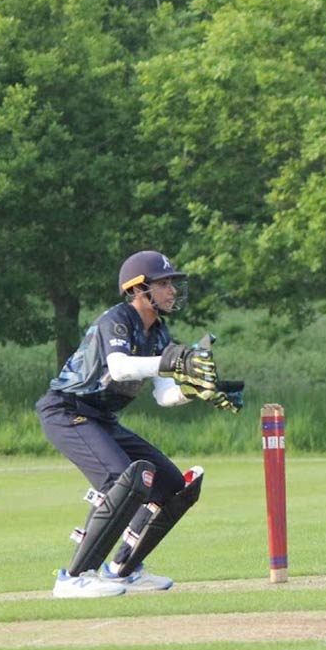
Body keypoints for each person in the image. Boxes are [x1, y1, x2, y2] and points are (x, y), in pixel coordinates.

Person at [35, 250, 244, 598]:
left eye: (171, 284)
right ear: (139, 289)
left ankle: (121, 568)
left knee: (172, 486)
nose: (172, 291)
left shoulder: (159, 333)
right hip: (66, 411)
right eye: (164, 284)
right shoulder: (116, 320)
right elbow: (119, 368)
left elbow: (165, 396)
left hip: (101, 418)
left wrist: (199, 390)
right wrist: (170, 361)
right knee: (122, 478)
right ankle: (73, 577)